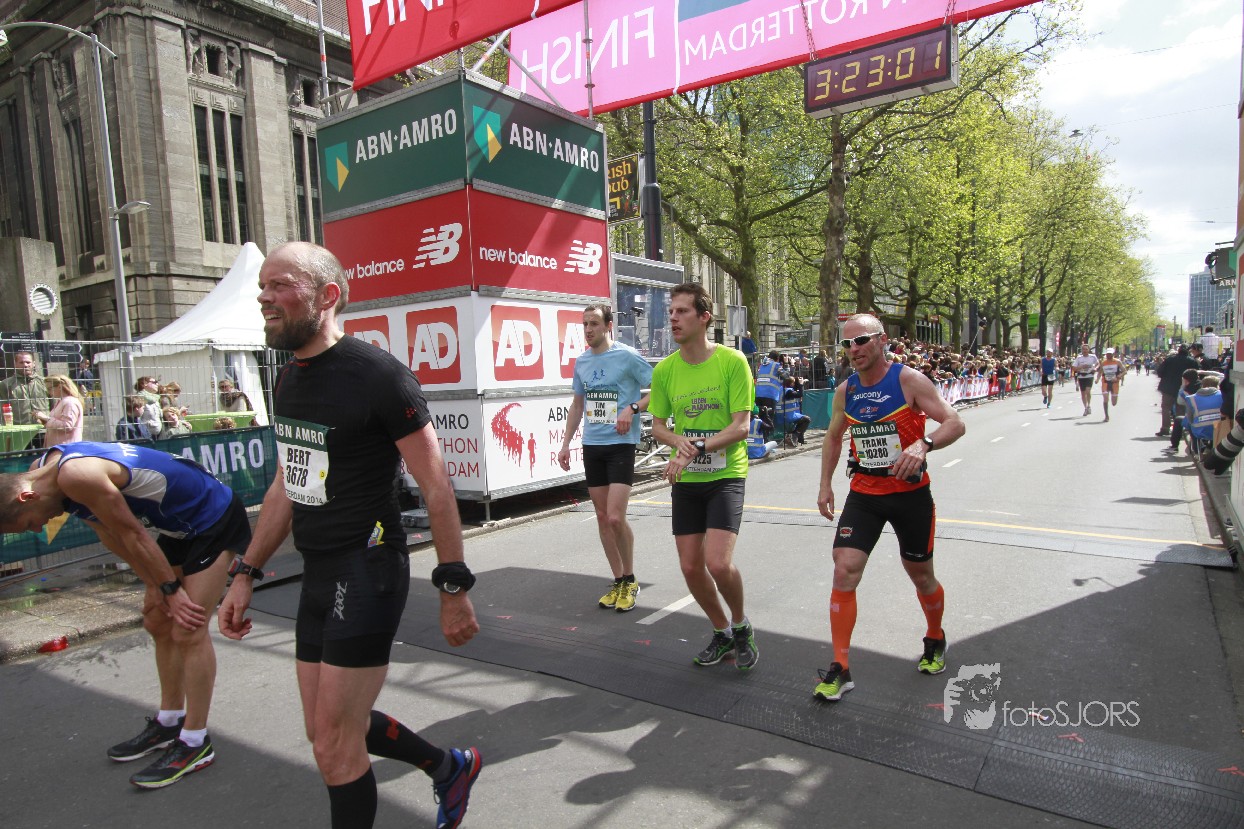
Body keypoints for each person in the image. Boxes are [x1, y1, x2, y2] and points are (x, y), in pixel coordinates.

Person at [217, 242, 482, 829]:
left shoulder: (378, 375)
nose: (264, 297)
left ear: (327, 295)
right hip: (318, 570)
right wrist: (246, 573)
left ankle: (447, 769)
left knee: (336, 746)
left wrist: (453, 586)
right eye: (262, 286)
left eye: (279, 285)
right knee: (326, 732)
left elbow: (436, 485)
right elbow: (287, 484)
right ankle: (448, 766)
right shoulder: (289, 377)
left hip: (368, 568)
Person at [0, 440, 251, 788]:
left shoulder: (76, 475)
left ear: (27, 496)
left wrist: (169, 589)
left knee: (188, 626)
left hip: (213, 515)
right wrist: (154, 584)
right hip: (178, 525)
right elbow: (110, 534)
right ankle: (170, 722)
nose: (36, 528)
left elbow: (132, 532)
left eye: (28, 523)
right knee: (157, 620)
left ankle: (196, 742)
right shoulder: (49, 475)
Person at [813, 314, 966, 702]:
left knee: (921, 576)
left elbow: (954, 422)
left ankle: (935, 636)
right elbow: (833, 437)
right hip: (864, 493)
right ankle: (840, 666)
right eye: (847, 343)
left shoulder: (909, 380)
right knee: (844, 568)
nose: (854, 349)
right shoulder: (846, 390)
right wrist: (825, 484)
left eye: (861, 340)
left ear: (882, 341)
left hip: (909, 495)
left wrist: (924, 445)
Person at [648, 282, 758, 670]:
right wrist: (679, 441)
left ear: (704, 317)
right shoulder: (665, 369)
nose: (673, 318)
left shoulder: (732, 361)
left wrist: (693, 447)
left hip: (726, 474)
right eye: (671, 312)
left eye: (682, 311)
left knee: (718, 564)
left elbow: (740, 427)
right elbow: (658, 426)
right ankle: (722, 632)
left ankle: (741, 625)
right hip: (687, 480)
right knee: (691, 567)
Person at [557, 303, 653, 613]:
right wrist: (565, 443)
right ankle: (618, 579)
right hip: (593, 445)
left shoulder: (627, 356)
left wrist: (632, 409)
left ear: (608, 326)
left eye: (594, 323)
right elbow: (577, 405)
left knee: (614, 517)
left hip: (621, 444)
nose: (588, 329)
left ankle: (631, 579)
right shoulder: (582, 361)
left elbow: (659, 389)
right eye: (585, 324)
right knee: (601, 517)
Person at [1156, 345, 1198, 436]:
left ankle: (1165, 428)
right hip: (1184, 387)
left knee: (1166, 408)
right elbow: (1196, 374)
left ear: (1178, 351)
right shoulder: (1191, 361)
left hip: (1168, 387)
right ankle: (1179, 430)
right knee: (1181, 409)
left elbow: (1160, 372)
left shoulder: (1169, 359)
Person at [2, 349, 50, 429]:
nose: (25, 365)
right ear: (15, 364)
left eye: (28, 362)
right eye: (21, 362)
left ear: (34, 364)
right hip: (19, 430)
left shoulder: (45, 382)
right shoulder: (6, 384)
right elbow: (2, 408)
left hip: (45, 428)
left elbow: (54, 405)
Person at [1182, 372, 1224, 455]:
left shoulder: (1191, 398)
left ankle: (1197, 450)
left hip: (1200, 430)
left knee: (1189, 424)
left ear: (1202, 385)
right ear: (1217, 385)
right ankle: (1209, 447)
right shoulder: (1222, 395)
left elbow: (1190, 418)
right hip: (1219, 429)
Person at [36, 375, 84, 446]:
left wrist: (46, 418)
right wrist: (44, 422)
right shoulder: (61, 401)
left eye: (49, 388)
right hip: (59, 446)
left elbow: (67, 426)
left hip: (65, 447)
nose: (48, 392)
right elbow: (57, 422)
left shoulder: (70, 402)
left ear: (59, 387)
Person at [754, 350, 785, 442]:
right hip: (770, 395)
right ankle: (766, 441)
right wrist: (787, 364)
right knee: (768, 418)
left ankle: (760, 439)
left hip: (758, 394)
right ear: (777, 358)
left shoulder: (761, 365)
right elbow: (786, 376)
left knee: (760, 417)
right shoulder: (776, 365)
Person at [780, 377, 810, 447]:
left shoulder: (780, 389)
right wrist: (801, 384)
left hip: (780, 415)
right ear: (790, 384)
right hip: (787, 416)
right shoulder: (789, 392)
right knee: (807, 419)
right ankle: (793, 435)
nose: (794, 384)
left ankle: (798, 438)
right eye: (793, 382)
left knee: (800, 417)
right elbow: (800, 394)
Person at [1097, 347, 1125, 422]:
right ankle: (1106, 416)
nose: (1109, 355)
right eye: (1108, 354)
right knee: (1105, 398)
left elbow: (1124, 371)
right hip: (1105, 382)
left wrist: (1118, 377)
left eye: (1110, 354)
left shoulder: (1117, 362)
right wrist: (1097, 379)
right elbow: (1100, 372)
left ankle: (1114, 397)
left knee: (1114, 403)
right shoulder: (1103, 362)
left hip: (1114, 383)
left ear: (1113, 354)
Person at [1071, 343, 1099, 417]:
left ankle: (1089, 405)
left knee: (1088, 391)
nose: (1085, 351)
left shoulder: (1093, 357)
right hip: (1081, 376)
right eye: (1083, 349)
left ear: (1088, 350)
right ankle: (1086, 407)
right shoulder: (1079, 358)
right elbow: (1074, 368)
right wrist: (1081, 367)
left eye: (1086, 349)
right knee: (1083, 393)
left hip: (1089, 375)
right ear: (1082, 350)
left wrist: (1095, 368)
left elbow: (1098, 363)